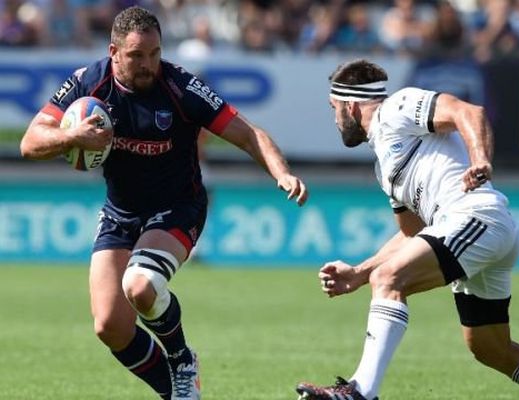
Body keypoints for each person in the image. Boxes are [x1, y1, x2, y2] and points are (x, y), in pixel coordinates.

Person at [20, 6, 308, 400]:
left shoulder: (180, 87)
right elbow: (30, 141)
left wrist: (281, 172)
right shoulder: (89, 83)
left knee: (141, 286)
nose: (148, 64)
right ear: (114, 52)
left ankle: (182, 358)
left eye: (154, 53)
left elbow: (246, 133)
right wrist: (71, 138)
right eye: (137, 55)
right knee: (110, 326)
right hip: (120, 214)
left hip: (177, 206)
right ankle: (177, 393)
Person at [295, 59, 519, 400]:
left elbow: (469, 112)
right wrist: (359, 272)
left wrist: (480, 159)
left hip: (477, 216)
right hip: (478, 228)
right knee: (490, 347)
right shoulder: (384, 166)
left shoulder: (397, 107)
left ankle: (360, 392)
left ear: (350, 104)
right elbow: (410, 233)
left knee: (389, 279)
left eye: (334, 108)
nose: (334, 118)